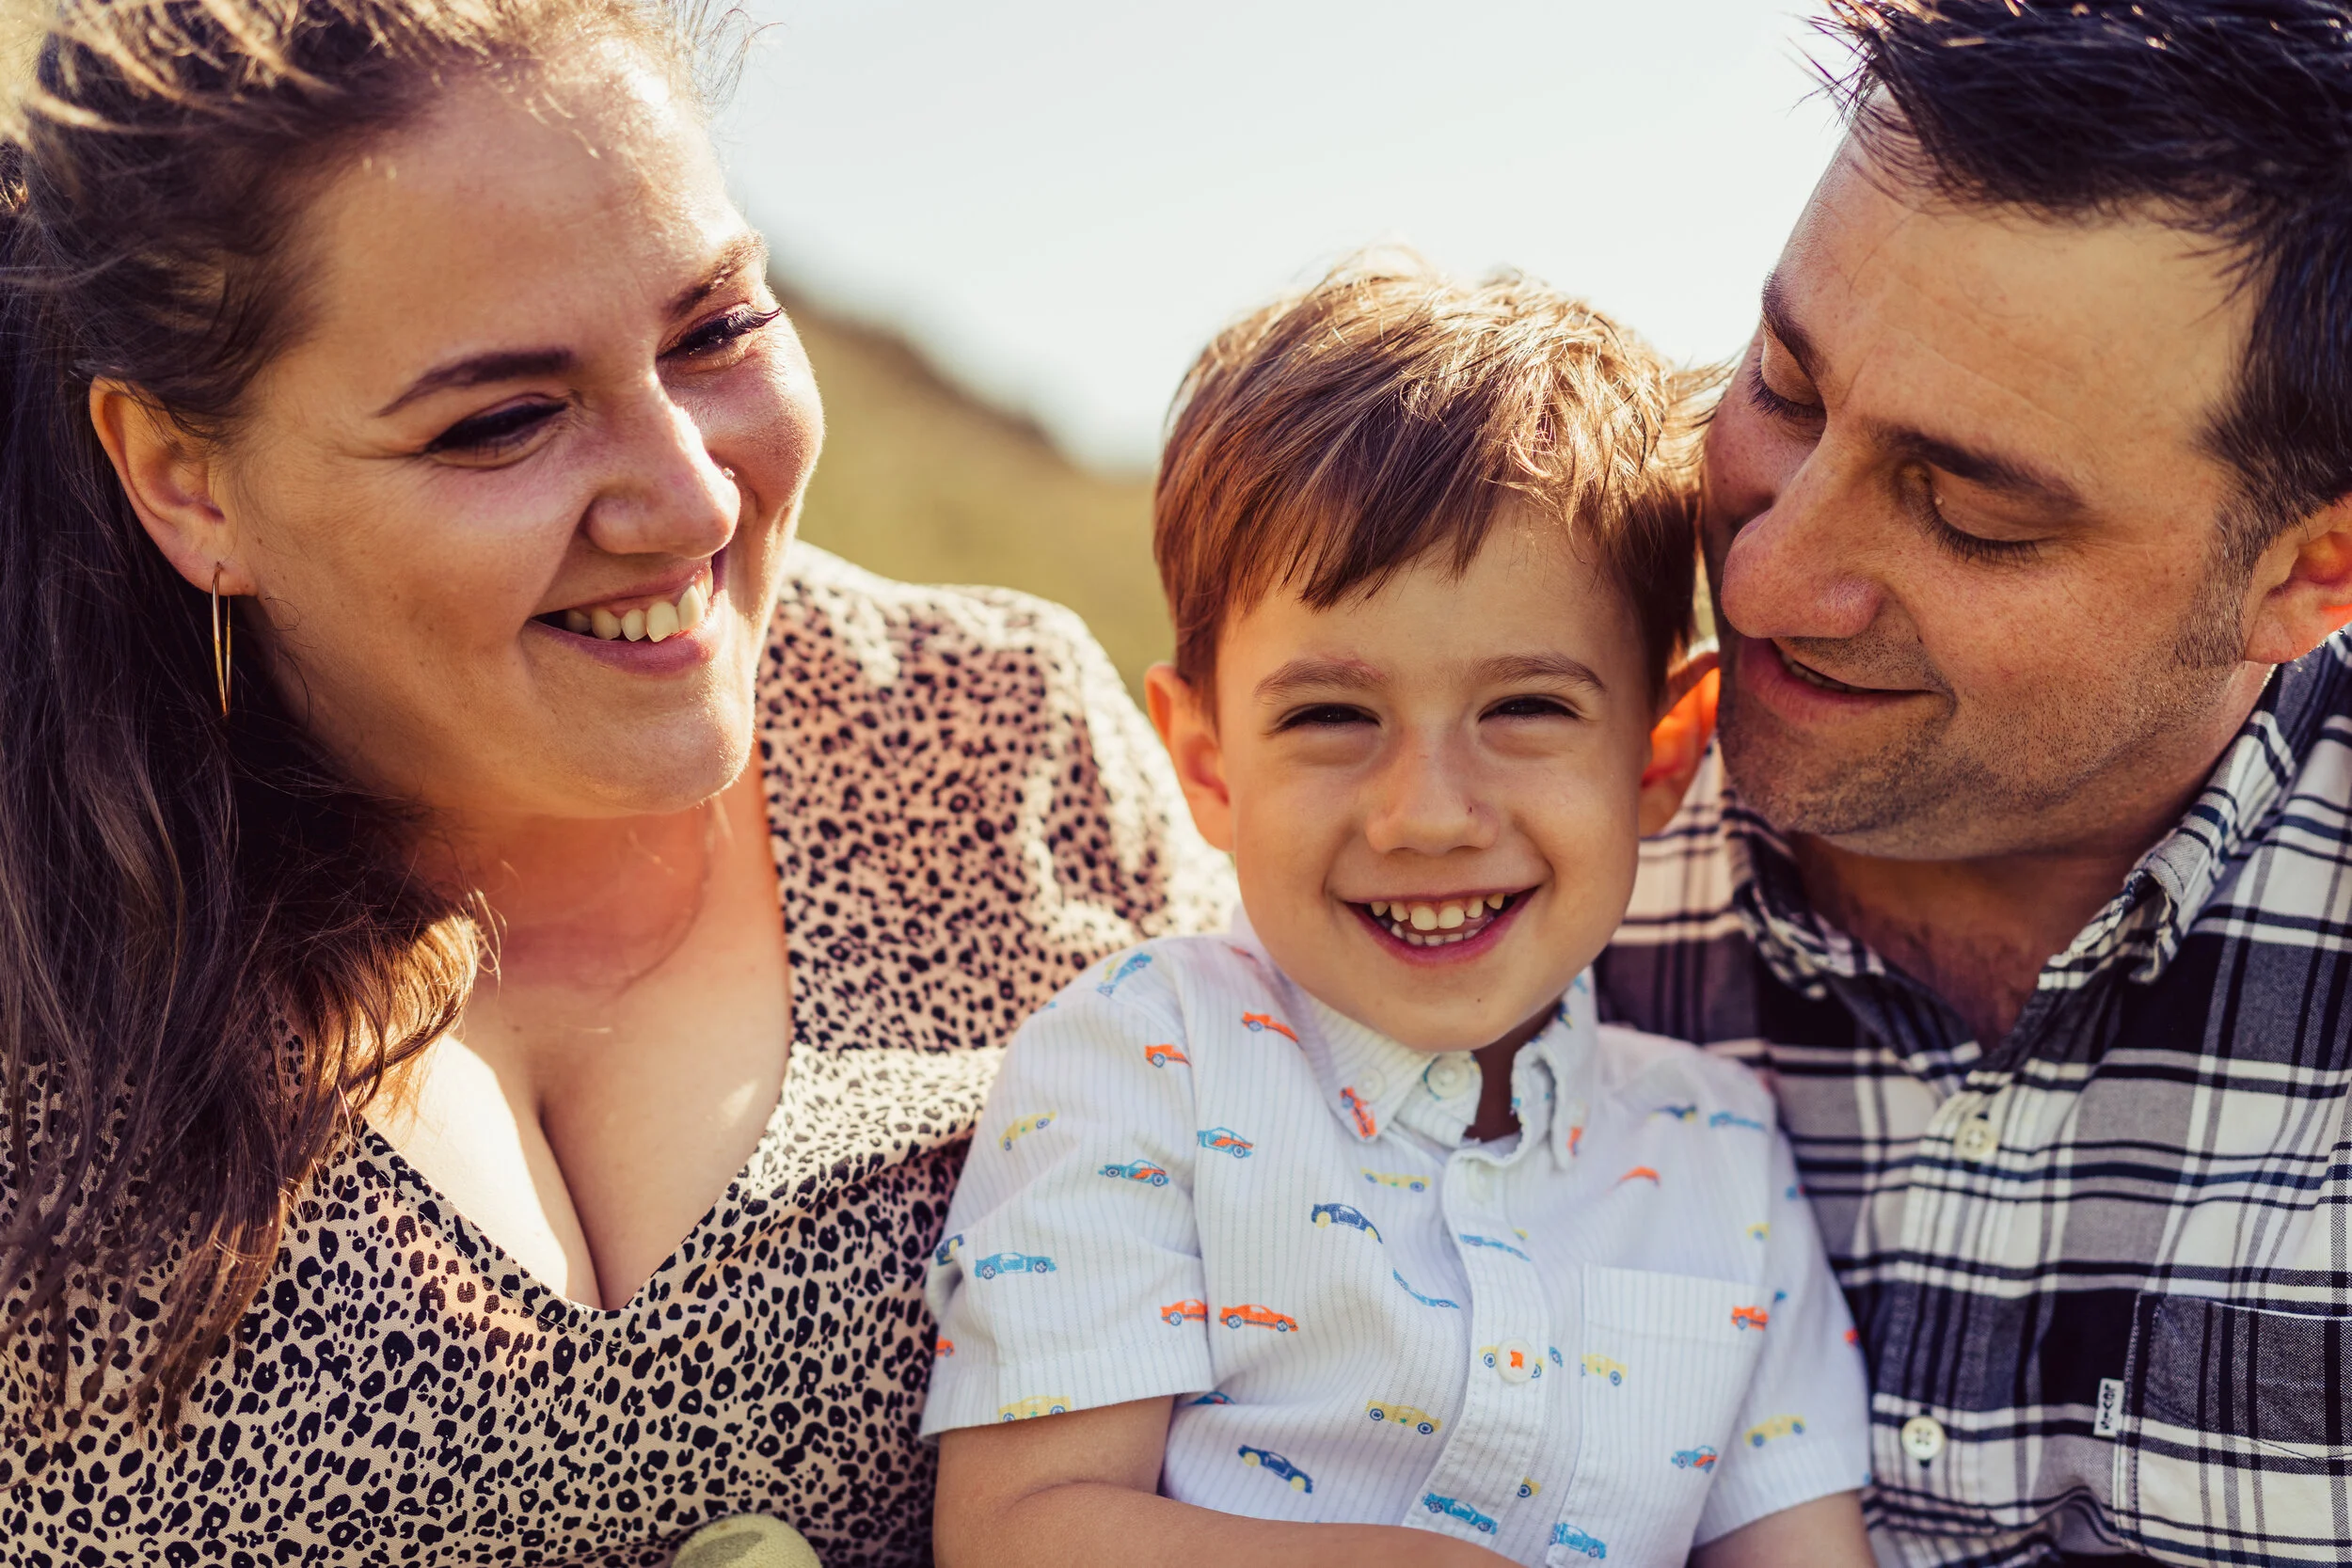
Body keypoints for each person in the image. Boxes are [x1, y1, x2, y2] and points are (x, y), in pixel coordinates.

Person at [0, 0, 1229, 1561]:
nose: (692, 495)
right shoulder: (38, 931)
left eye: (716, 331)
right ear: (186, 479)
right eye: (505, 420)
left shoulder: (998, 737)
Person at [920, 259, 1875, 1568]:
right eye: (1330, 716)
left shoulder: (1724, 1152)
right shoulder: (1141, 1064)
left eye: (1525, 708)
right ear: (1206, 763)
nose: (1427, 813)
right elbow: (1020, 1531)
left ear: (1661, 753)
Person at [1594, 4, 2352, 1565]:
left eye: (1973, 517)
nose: (1766, 574)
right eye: (1786, 391)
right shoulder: (1494, 847)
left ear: (2311, 569)